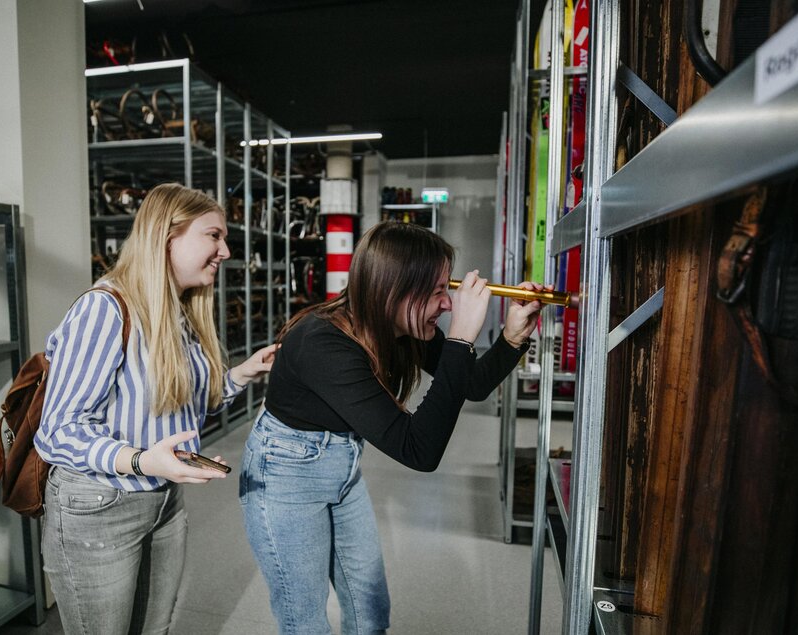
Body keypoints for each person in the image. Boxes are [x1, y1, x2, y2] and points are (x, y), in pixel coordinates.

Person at [239, 221, 544, 634]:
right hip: (285, 473)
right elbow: (419, 450)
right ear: (393, 290)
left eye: (446, 287)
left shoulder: (399, 323)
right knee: (305, 620)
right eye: (438, 291)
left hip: (341, 465)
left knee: (370, 610)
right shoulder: (323, 344)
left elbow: (468, 384)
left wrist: (511, 338)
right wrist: (460, 341)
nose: (448, 303)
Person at [35, 183, 276, 634]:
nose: (225, 250)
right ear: (168, 235)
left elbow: (175, 406)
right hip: (99, 504)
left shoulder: (177, 311)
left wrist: (241, 375)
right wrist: (144, 459)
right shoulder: (105, 309)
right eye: (214, 236)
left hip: (163, 500)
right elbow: (59, 431)